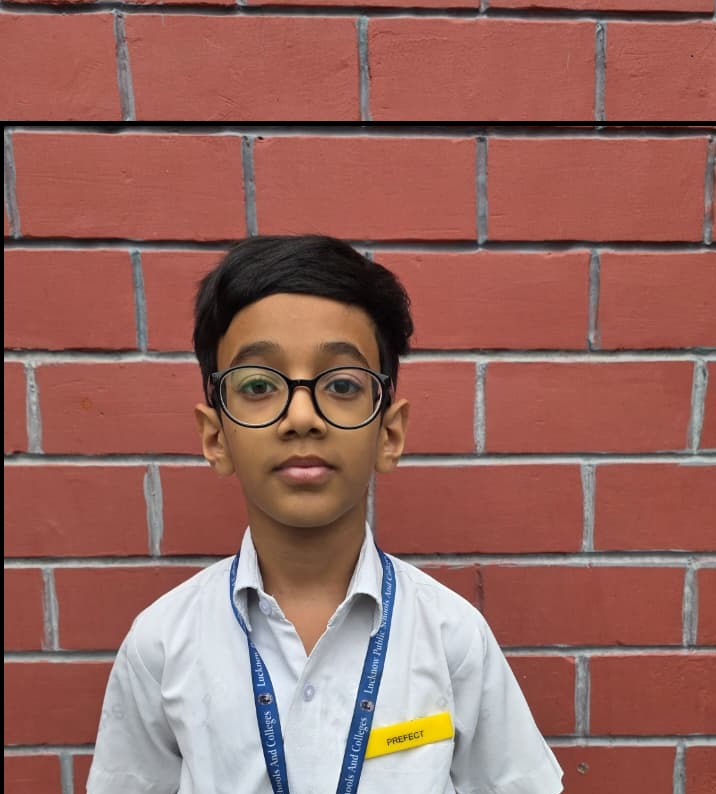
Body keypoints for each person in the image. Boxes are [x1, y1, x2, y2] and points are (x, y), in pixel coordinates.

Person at [87, 234, 564, 794]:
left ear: (389, 434)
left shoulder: (452, 637)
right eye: (258, 385)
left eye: (341, 384)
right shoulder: (162, 645)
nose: (301, 416)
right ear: (215, 437)